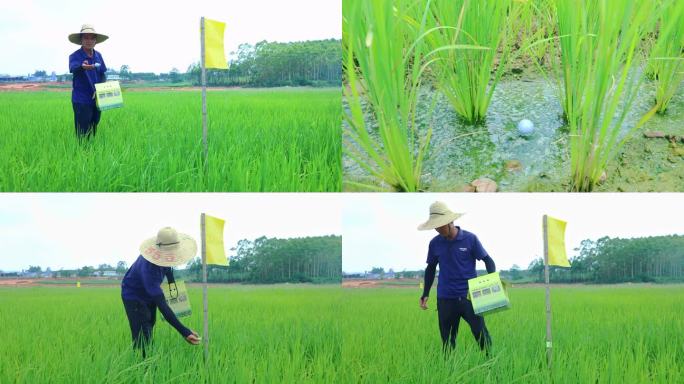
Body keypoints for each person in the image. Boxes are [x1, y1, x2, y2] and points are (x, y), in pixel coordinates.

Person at [417, 201, 496, 354]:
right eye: (435, 227)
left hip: (470, 297)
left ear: (451, 221)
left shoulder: (470, 239)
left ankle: (490, 365)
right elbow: (431, 268)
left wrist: (493, 282)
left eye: (441, 226)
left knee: (481, 335)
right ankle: (449, 372)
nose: (438, 230)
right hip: (446, 299)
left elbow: (488, 260)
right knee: (447, 342)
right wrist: (425, 293)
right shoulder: (434, 243)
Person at [121, 227, 201, 357]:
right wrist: (184, 332)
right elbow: (162, 306)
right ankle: (142, 365)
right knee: (142, 333)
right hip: (134, 296)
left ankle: (147, 357)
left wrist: (171, 283)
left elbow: (168, 268)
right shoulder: (149, 268)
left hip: (149, 292)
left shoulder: (165, 258)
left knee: (150, 324)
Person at [68, 24, 108, 141]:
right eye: (86, 38)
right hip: (81, 99)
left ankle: (91, 151)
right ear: (81, 40)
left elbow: (103, 74)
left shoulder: (98, 56)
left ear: (95, 41)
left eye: (92, 38)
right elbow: (74, 69)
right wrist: (82, 67)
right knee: (82, 130)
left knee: (94, 124)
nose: (89, 41)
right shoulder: (75, 56)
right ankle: (81, 153)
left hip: (97, 98)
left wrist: (100, 89)